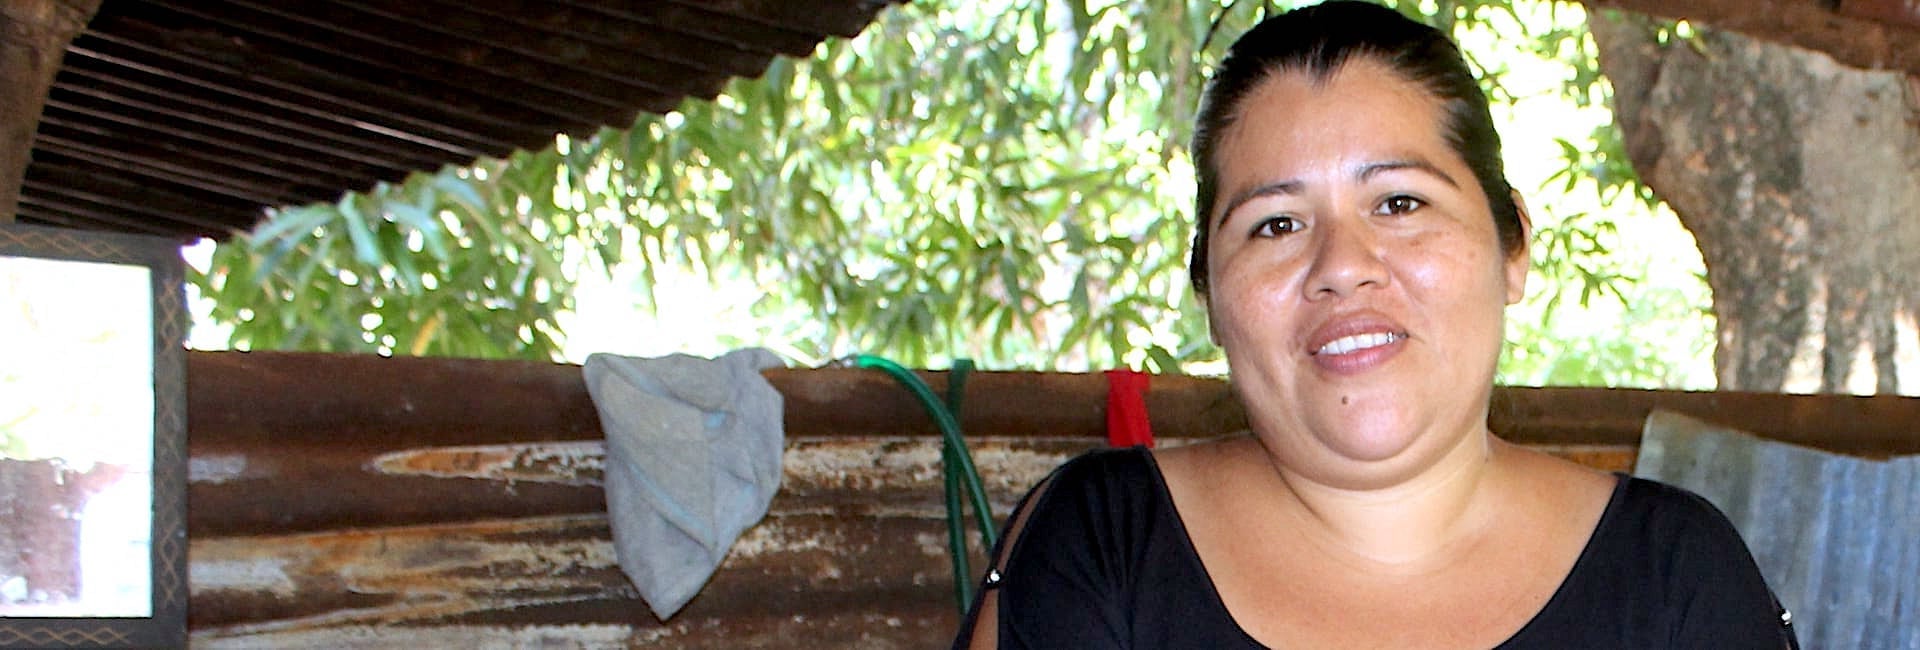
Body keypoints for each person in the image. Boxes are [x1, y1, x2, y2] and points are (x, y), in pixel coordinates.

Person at [954, 2, 1798, 648]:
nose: (1342, 264)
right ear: (1209, 292)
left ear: (1513, 247)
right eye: (1275, 224)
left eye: (1399, 202)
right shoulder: (1103, 544)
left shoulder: (1676, 573)